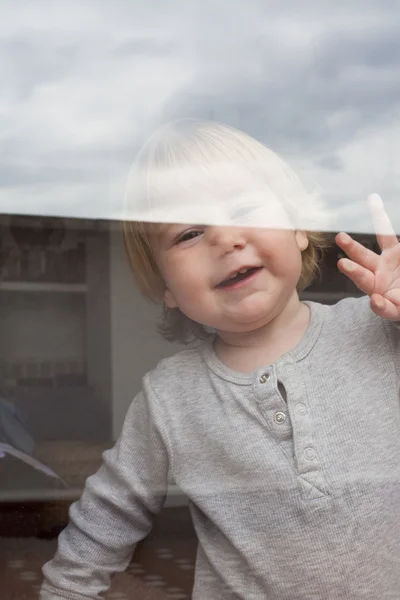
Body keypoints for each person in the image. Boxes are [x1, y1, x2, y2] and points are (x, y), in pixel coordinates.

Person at [40, 120, 400, 599]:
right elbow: (105, 518)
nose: (225, 239)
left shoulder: (378, 329)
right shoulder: (171, 397)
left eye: (244, 209)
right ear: (167, 287)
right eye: (189, 232)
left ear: (296, 230)